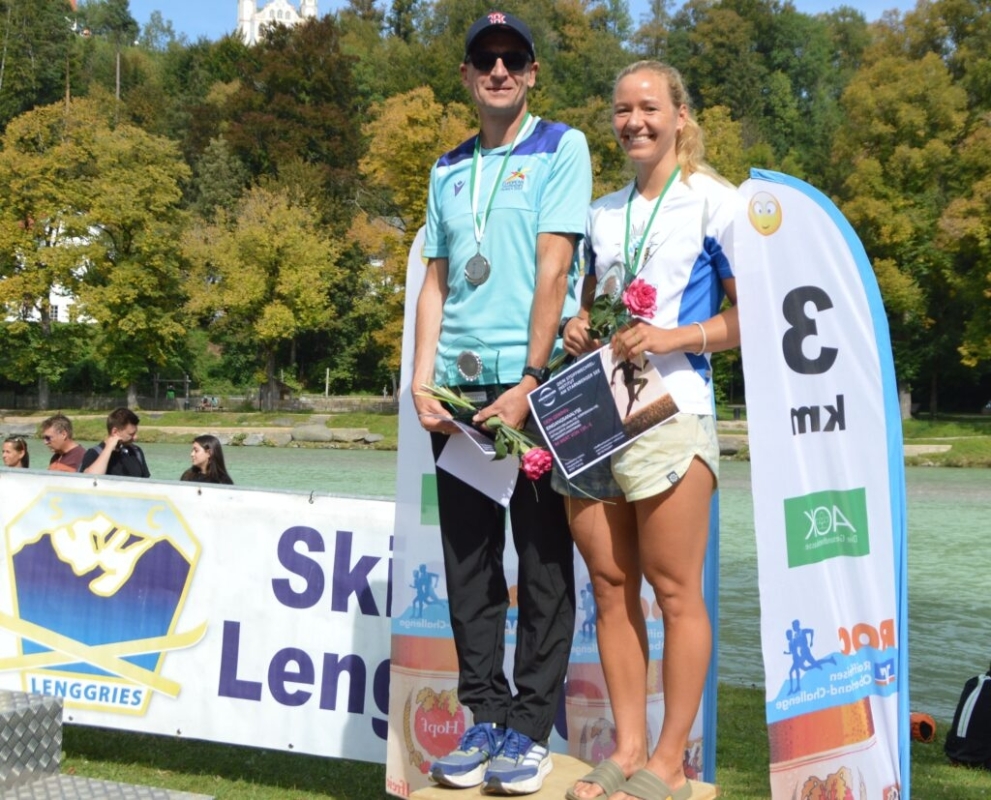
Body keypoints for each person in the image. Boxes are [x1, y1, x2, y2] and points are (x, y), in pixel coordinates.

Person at [411, 10, 592, 794]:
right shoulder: (447, 167)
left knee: (544, 564)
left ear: (531, 71)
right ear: (464, 74)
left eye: (511, 58)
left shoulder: (563, 146)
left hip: (531, 390)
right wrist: (421, 380)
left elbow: (554, 269)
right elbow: (438, 280)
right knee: (467, 566)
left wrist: (529, 379)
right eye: (483, 59)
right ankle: (481, 715)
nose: (497, 71)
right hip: (455, 394)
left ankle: (528, 729)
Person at [560, 61, 740, 800]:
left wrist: (674, 337)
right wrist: (576, 326)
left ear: (679, 116)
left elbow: (748, 318)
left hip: (674, 414)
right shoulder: (601, 214)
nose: (634, 120)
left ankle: (669, 761)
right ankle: (627, 748)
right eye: (622, 110)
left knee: (674, 593)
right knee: (609, 587)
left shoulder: (716, 202)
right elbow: (587, 305)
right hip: (597, 418)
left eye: (649, 108)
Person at [80, 407, 150, 478]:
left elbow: (146, 483)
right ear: (115, 432)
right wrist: (108, 449)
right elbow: (90, 480)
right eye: (131, 434)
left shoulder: (136, 452)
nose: (135, 437)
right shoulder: (93, 453)